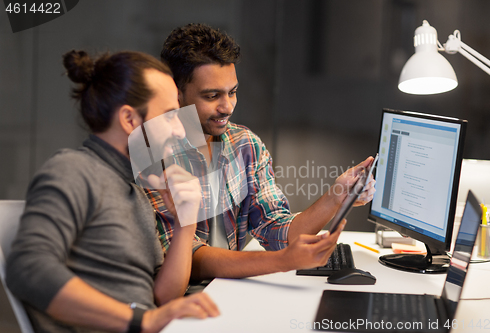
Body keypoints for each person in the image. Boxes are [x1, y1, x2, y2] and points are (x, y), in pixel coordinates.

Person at [6, 50, 219, 333]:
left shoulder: (134, 189)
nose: (181, 130)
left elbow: (161, 297)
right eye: (169, 116)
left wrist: (185, 223)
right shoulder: (73, 170)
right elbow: (28, 269)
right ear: (130, 120)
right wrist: (142, 320)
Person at [147, 23, 376, 281]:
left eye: (232, 92)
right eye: (212, 96)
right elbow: (189, 258)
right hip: (183, 302)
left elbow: (277, 230)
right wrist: (280, 261)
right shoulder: (153, 153)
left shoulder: (245, 144)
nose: (227, 107)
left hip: (229, 290)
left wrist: (336, 197)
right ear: (176, 93)